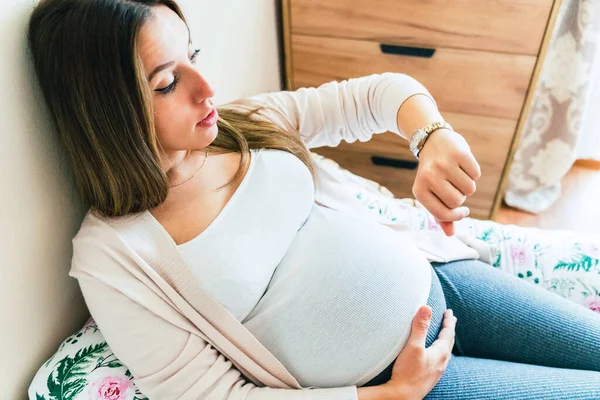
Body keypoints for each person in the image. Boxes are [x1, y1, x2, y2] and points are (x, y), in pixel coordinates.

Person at [28, 0, 600, 399]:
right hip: (401, 381)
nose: (207, 89)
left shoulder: (239, 123)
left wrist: (432, 136)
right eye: (165, 82)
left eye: (194, 56)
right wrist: (383, 398)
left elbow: (378, 94)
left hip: (440, 279)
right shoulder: (114, 255)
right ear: (105, 112)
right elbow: (206, 394)